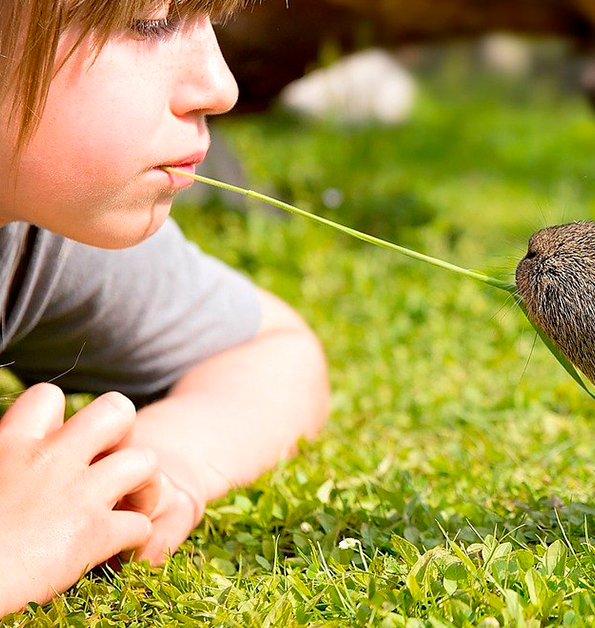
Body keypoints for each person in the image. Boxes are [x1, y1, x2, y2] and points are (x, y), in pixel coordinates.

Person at [0, 0, 329, 613]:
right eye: (150, 20)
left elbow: (271, 350)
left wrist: (160, 463)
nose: (221, 86)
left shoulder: (38, 228)